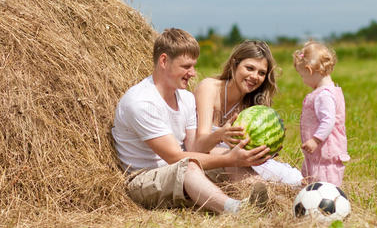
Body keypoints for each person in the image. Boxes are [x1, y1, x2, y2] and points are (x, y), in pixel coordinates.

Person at [111, 28, 271, 214]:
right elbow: (175, 158)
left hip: (180, 169)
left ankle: (266, 198)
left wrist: (220, 138)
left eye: (194, 66)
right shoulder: (141, 102)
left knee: (223, 155)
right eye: (186, 67)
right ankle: (235, 209)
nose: (193, 73)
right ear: (164, 61)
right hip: (143, 180)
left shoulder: (185, 98)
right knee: (189, 167)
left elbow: (195, 148)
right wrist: (228, 158)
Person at [194, 40, 304, 186]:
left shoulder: (253, 105)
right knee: (237, 164)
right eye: (249, 68)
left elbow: (248, 153)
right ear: (234, 64)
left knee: (293, 179)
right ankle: (265, 198)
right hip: (207, 160)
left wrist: (267, 150)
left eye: (262, 73)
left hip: (241, 161)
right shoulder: (210, 88)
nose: (255, 76)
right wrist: (220, 134)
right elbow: (198, 147)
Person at [293, 41, 350, 187]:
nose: (303, 81)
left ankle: (325, 207)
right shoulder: (328, 91)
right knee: (310, 183)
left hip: (325, 154)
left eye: (302, 76)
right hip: (316, 155)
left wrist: (315, 140)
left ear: (309, 70)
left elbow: (328, 121)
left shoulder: (324, 95)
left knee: (325, 186)